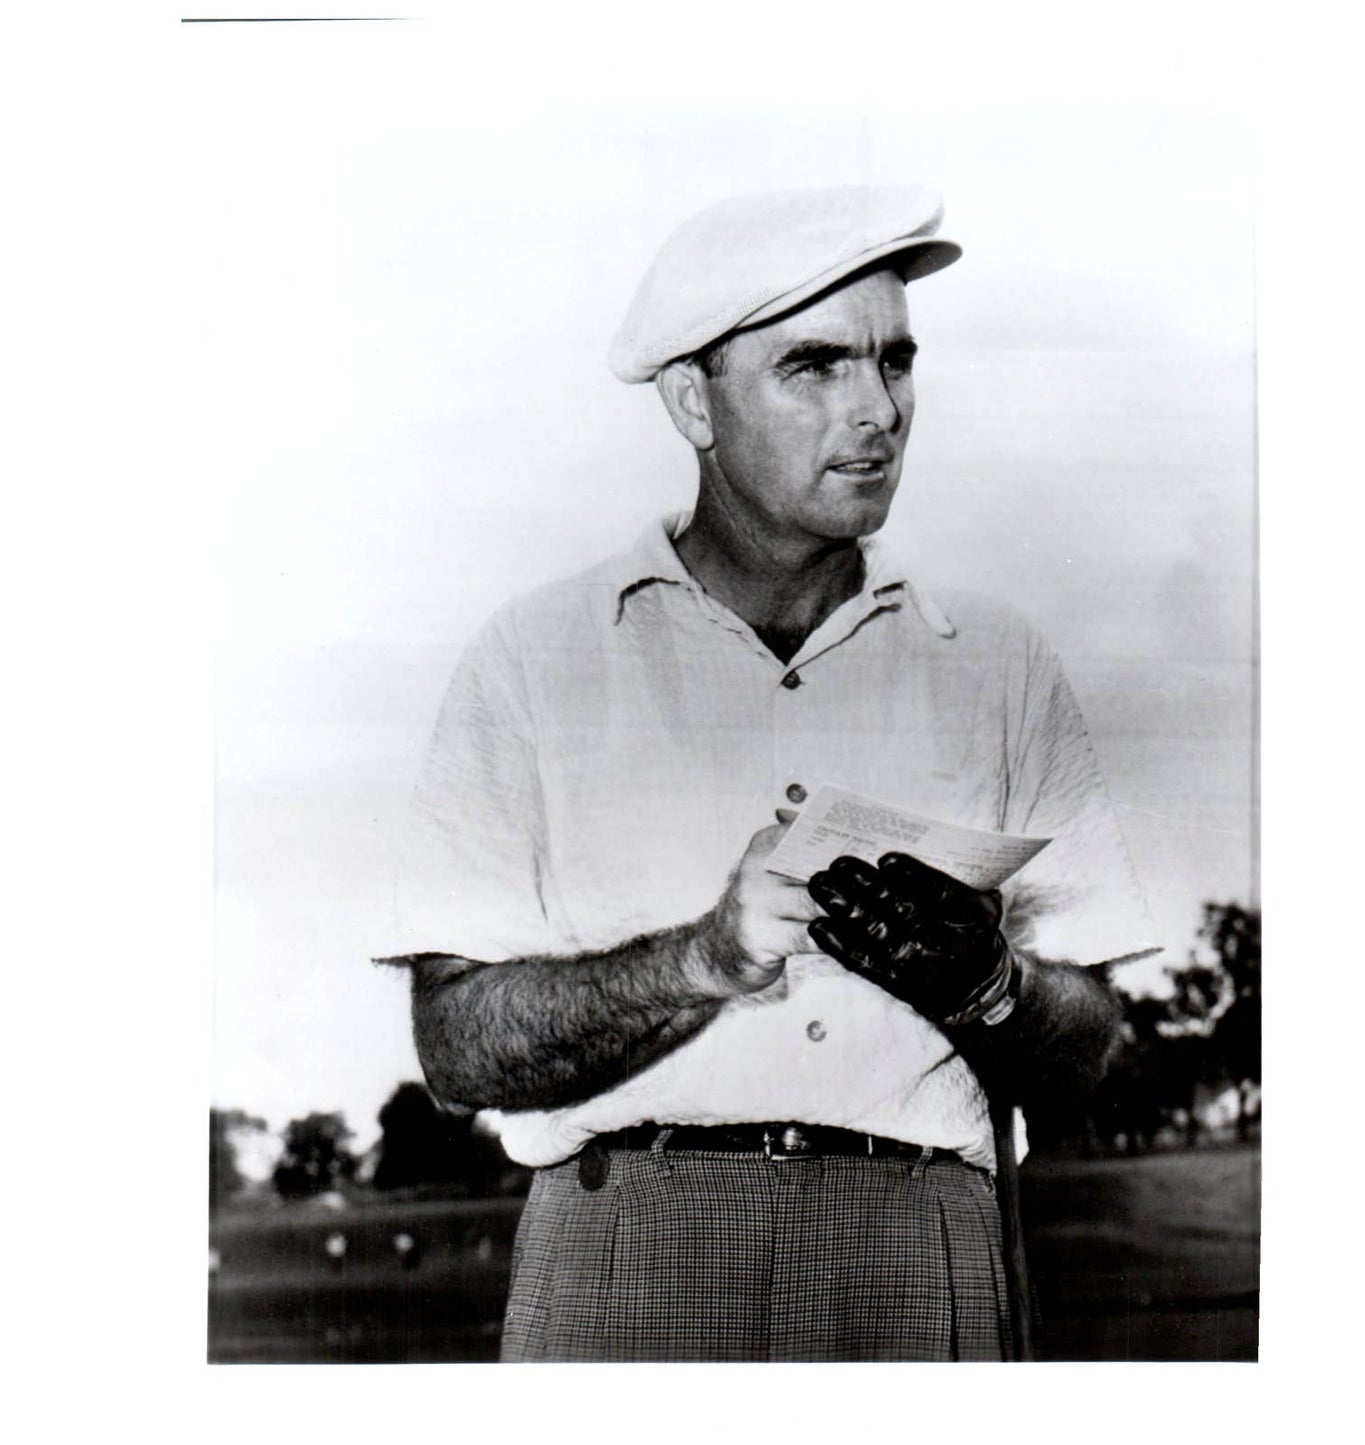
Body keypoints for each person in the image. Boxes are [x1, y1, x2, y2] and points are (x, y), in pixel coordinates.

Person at [378, 186, 1158, 1362]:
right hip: (627, 1250)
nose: (876, 408)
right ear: (692, 400)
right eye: (814, 365)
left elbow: (1087, 1049)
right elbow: (456, 1047)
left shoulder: (997, 662)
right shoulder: (531, 659)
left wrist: (989, 983)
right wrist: (699, 959)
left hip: (916, 1247)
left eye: (893, 360)